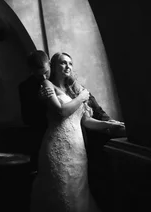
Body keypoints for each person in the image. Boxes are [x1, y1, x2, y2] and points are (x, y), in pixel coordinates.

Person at [30, 52, 125, 212]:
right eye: (63, 63)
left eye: (70, 63)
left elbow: (87, 122)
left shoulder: (74, 90)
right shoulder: (48, 85)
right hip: (57, 148)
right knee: (60, 193)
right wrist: (81, 97)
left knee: (77, 193)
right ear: (53, 66)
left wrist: (110, 125)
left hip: (78, 150)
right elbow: (61, 111)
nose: (68, 66)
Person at [18, 50, 53, 172]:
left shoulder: (60, 78)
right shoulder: (25, 87)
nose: (44, 77)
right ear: (31, 71)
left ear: (49, 64)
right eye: (39, 75)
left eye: (46, 73)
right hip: (41, 139)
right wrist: (39, 101)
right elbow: (26, 118)